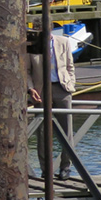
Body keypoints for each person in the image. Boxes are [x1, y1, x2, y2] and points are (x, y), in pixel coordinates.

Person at [27, 31, 76, 179]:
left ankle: (65, 167)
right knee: (41, 131)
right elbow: (27, 71)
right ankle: (45, 170)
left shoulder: (63, 42)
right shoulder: (32, 45)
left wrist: (71, 84)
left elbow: (70, 66)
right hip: (41, 90)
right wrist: (30, 89)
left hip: (61, 88)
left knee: (66, 129)